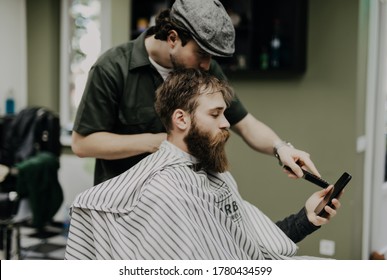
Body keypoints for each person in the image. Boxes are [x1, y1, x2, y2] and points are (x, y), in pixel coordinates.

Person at [64, 69, 341, 260]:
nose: (226, 123)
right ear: (181, 119)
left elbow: (249, 245)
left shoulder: (213, 173)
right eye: (215, 114)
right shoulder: (164, 192)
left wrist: (305, 219)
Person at [72, 0, 319, 185]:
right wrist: (156, 142)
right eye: (201, 54)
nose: (206, 65)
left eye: (211, 57)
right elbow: (83, 144)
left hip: (185, 199)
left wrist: (281, 148)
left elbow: (245, 124)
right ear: (172, 38)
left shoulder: (206, 68)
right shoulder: (113, 68)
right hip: (125, 204)